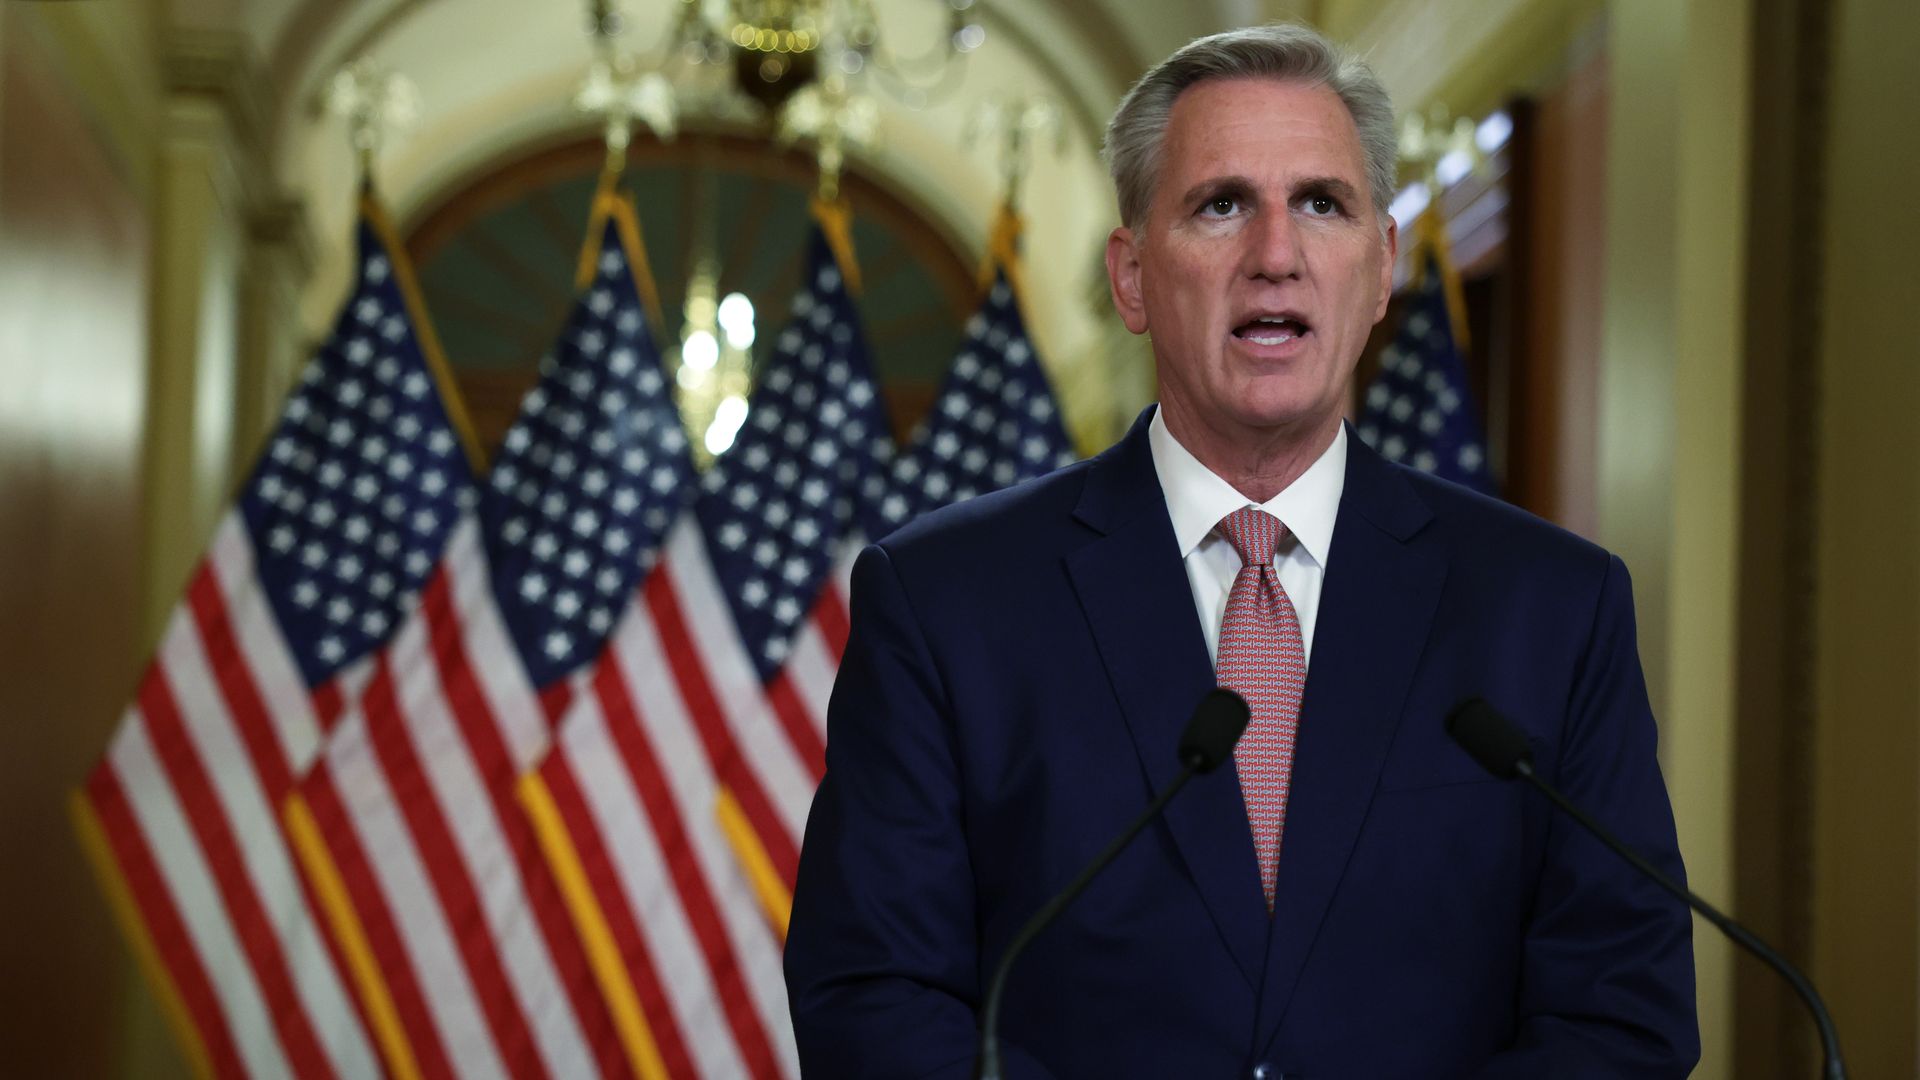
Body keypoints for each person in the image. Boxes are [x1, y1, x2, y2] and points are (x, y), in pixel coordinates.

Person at [785, 23, 1697, 1078]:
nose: (1276, 254)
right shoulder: (942, 602)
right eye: (1222, 205)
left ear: (1381, 264)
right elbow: (873, 995)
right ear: (1131, 278)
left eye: (1323, 203)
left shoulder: (1553, 609)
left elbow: (1623, 1014)